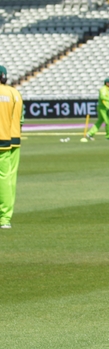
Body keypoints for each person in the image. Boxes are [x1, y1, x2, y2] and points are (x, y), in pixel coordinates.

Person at [0, 65, 23, 230]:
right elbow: (21, 119)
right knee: (10, 179)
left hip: (1, 139)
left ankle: (4, 218)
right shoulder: (15, 92)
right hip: (14, 139)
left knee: (2, 178)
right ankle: (7, 216)